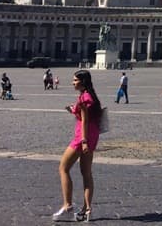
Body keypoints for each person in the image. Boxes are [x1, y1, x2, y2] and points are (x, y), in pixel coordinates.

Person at [53, 70, 102, 222]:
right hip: (92, 137)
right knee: (86, 174)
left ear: (82, 82)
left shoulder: (83, 98)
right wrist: (73, 111)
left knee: (63, 168)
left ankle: (68, 206)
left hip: (82, 138)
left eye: (75, 80)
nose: (72, 82)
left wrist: (83, 141)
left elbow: (85, 121)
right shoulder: (92, 96)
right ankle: (87, 210)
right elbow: (86, 117)